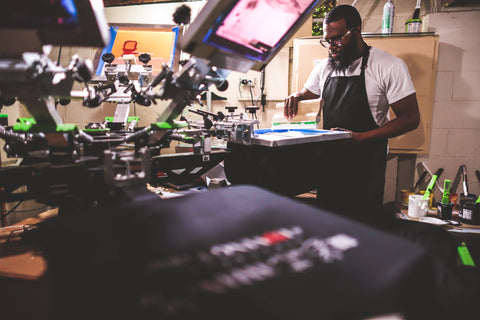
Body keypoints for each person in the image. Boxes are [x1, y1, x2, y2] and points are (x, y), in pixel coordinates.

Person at [284, 4, 420, 225]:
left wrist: (359, 137)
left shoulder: (387, 66)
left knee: (362, 231)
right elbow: (310, 91)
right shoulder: (326, 67)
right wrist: (297, 96)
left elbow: (410, 118)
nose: (331, 47)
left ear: (357, 31)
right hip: (330, 167)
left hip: (365, 167)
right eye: (327, 41)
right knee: (328, 228)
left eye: (337, 39)